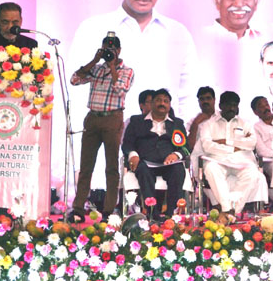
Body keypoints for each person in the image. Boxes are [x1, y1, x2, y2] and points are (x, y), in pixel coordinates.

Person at [68, 0, 198, 120]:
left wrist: (181, 142)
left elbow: (188, 98)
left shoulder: (178, 33)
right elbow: (75, 93)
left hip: (162, 141)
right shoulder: (92, 29)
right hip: (104, 138)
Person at [68, 34, 134, 223]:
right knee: (86, 166)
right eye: (105, 49)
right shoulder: (96, 68)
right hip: (93, 118)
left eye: (111, 50)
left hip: (112, 118)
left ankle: (108, 210)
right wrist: (95, 60)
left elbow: (120, 89)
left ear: (119, 51)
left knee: (111, 167)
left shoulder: (126, 70)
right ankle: (78, 209)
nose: (108, 53)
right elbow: (74, 79)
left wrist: (112, 66)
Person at [121, 89, 187, 221]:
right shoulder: (136, 121)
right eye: (158, 100)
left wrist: (176, 154)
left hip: (168, 163)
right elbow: (127, 144)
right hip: (145, 161)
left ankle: (171, 213)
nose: (162, 103)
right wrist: (133, 155)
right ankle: (152, 213)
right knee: (143, 170)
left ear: (169, 105)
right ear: (151, 104)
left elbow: (186, 148)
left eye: (165, 101)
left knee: (178, 170)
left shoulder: (177, 123)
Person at [198, 91, 267, 218]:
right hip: (218, 161)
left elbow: (251, 143)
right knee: (211, 169)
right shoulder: (208, 125)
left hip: (242, 161)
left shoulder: (245, 123)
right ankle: (228, 209)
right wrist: (234, 148)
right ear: (220, 105)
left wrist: (225, 142)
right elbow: (207, 146)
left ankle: (231, 211)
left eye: (235, 105)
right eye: (228, 105)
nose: (232, 108)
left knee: (252, 173)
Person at [251, 96, 273, 208]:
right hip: (269, 160)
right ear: (255, 112)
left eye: (266, 104)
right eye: (260, 106)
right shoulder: (255, 128)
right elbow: (261, 150)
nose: (265, 108)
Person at [187, 86, 215, 151]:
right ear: (198, 101)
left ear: (214, 100)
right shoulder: (192, 121)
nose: (205, 101)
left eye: (208, 98)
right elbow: (189, 147)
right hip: (200, 156)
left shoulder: (221, 117)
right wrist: (195, 123)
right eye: (202, 99)